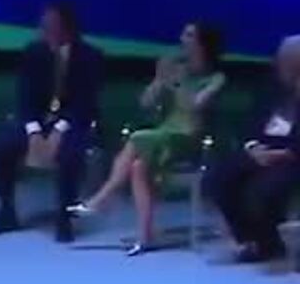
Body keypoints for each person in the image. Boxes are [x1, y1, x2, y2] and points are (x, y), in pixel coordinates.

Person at [70, 22, 227, 255]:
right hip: (164, 134)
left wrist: (176, 82)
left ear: (202, 44)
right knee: (137, 167)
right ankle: (145, 236)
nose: (182, 39)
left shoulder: (216, 78)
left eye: (189, 35)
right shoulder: (179, 69)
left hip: (190, 137)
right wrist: (158, 80)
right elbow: (146, 103)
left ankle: (103, 198)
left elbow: (194, 106)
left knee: (137, 138)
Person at [0, 3, 104, 242]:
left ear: (67, 28)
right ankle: (6, 211)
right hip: (37, 121)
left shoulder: (90, 56)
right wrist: (34, 132)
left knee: (70, 153)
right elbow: (25, 97)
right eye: (44, 26)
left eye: (51, 26)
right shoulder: (33, 52)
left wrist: (60, 129)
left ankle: (64, 217)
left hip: (74, 122)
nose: (45, 30)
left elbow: (85, 102)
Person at [203, 35, 300, 263]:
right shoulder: (271, 86)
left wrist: (287, 153)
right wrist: (253, 147)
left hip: (293, 156)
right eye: (280, 59)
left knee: (263, 189)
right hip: (262, 151)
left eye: (286, 60)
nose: (280, 65)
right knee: (218, 178)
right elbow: (251, 122)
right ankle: (248, 240)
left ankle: (269, 243)